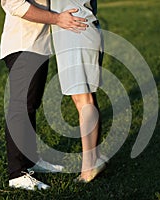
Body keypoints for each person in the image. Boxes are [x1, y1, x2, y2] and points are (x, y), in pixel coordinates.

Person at [0, 0, 88, 191]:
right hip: (23, 43)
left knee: (30, 105)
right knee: (21, 106)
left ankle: (30, 161)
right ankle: (17, 173)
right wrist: (57, 19)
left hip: (38, 45)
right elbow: (14, 4)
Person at [51, 0, 106, 183]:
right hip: (76, 30)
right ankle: (95, 158)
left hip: (77, 31)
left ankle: (88, 168)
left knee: (84, 100)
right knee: (82, 99)